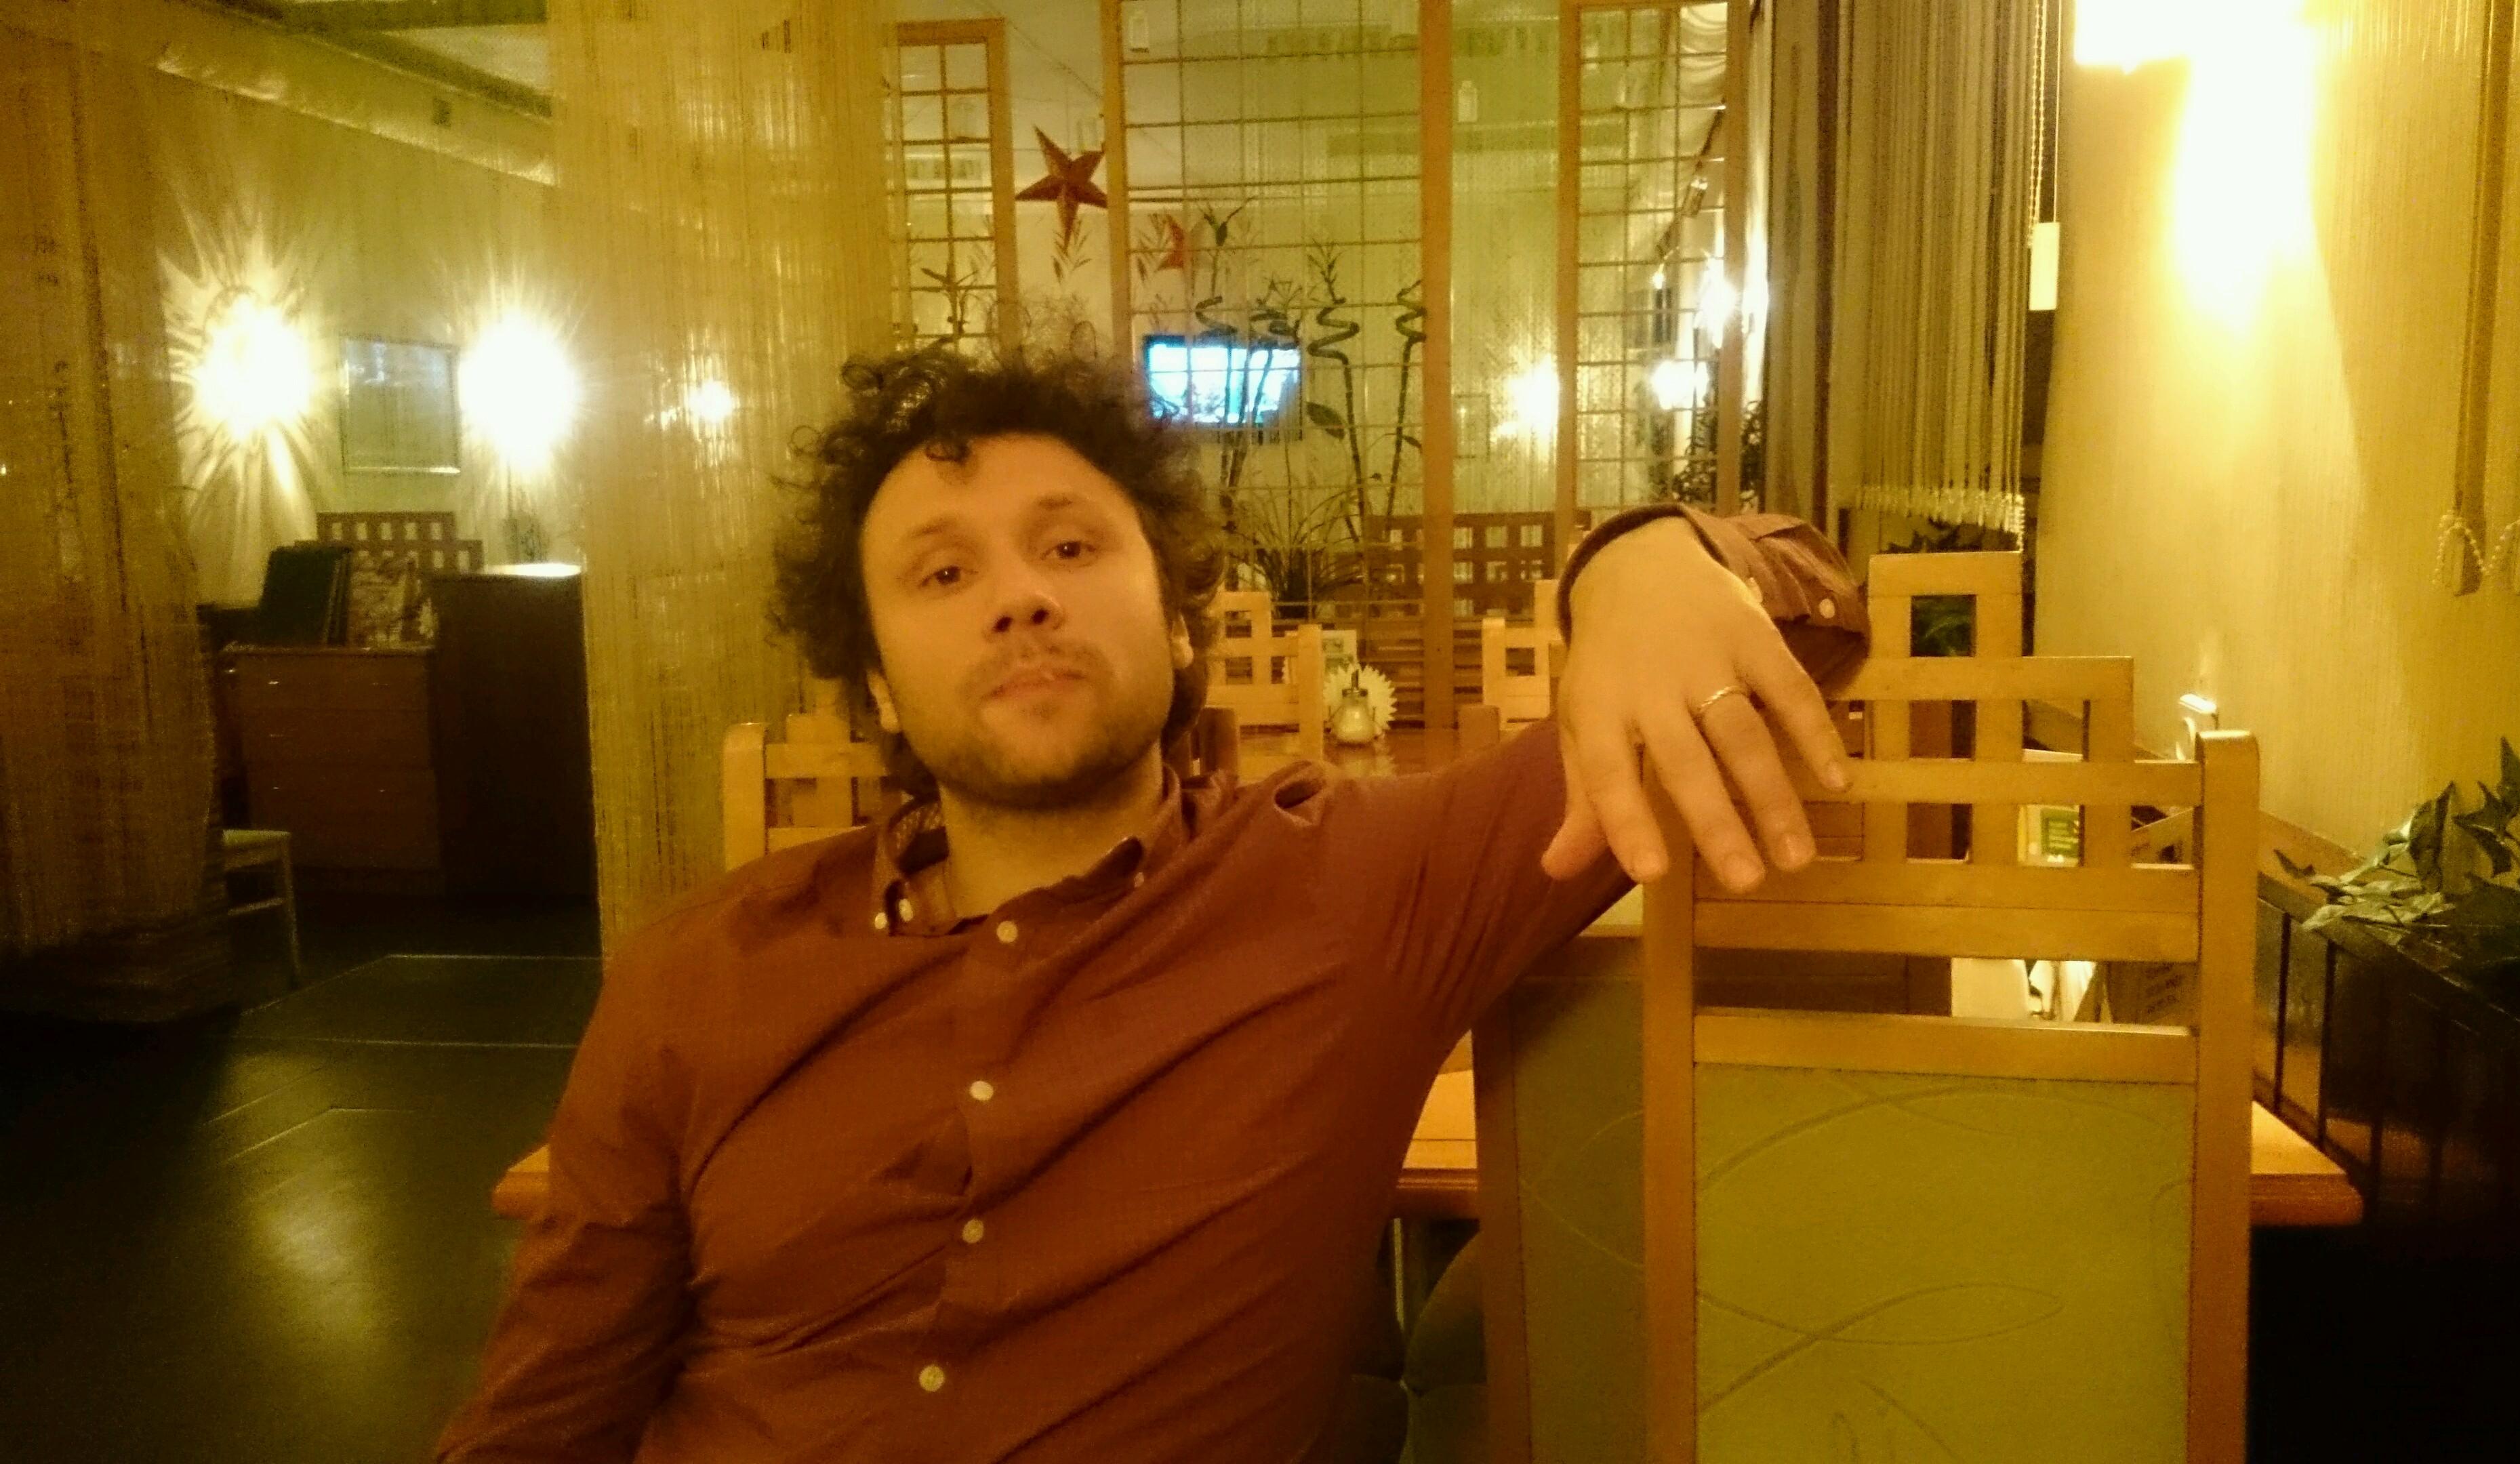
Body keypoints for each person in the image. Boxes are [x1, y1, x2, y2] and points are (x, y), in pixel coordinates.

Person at [436, 346, 1869, 1463]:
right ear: (878, 685)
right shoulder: (703, 973)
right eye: (944, 572)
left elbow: (1809, 618)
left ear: (1180, 623)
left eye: (1070, 548)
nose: (1019, 599)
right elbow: (545, 1411)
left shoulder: (1353, 891)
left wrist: (1635, 562)